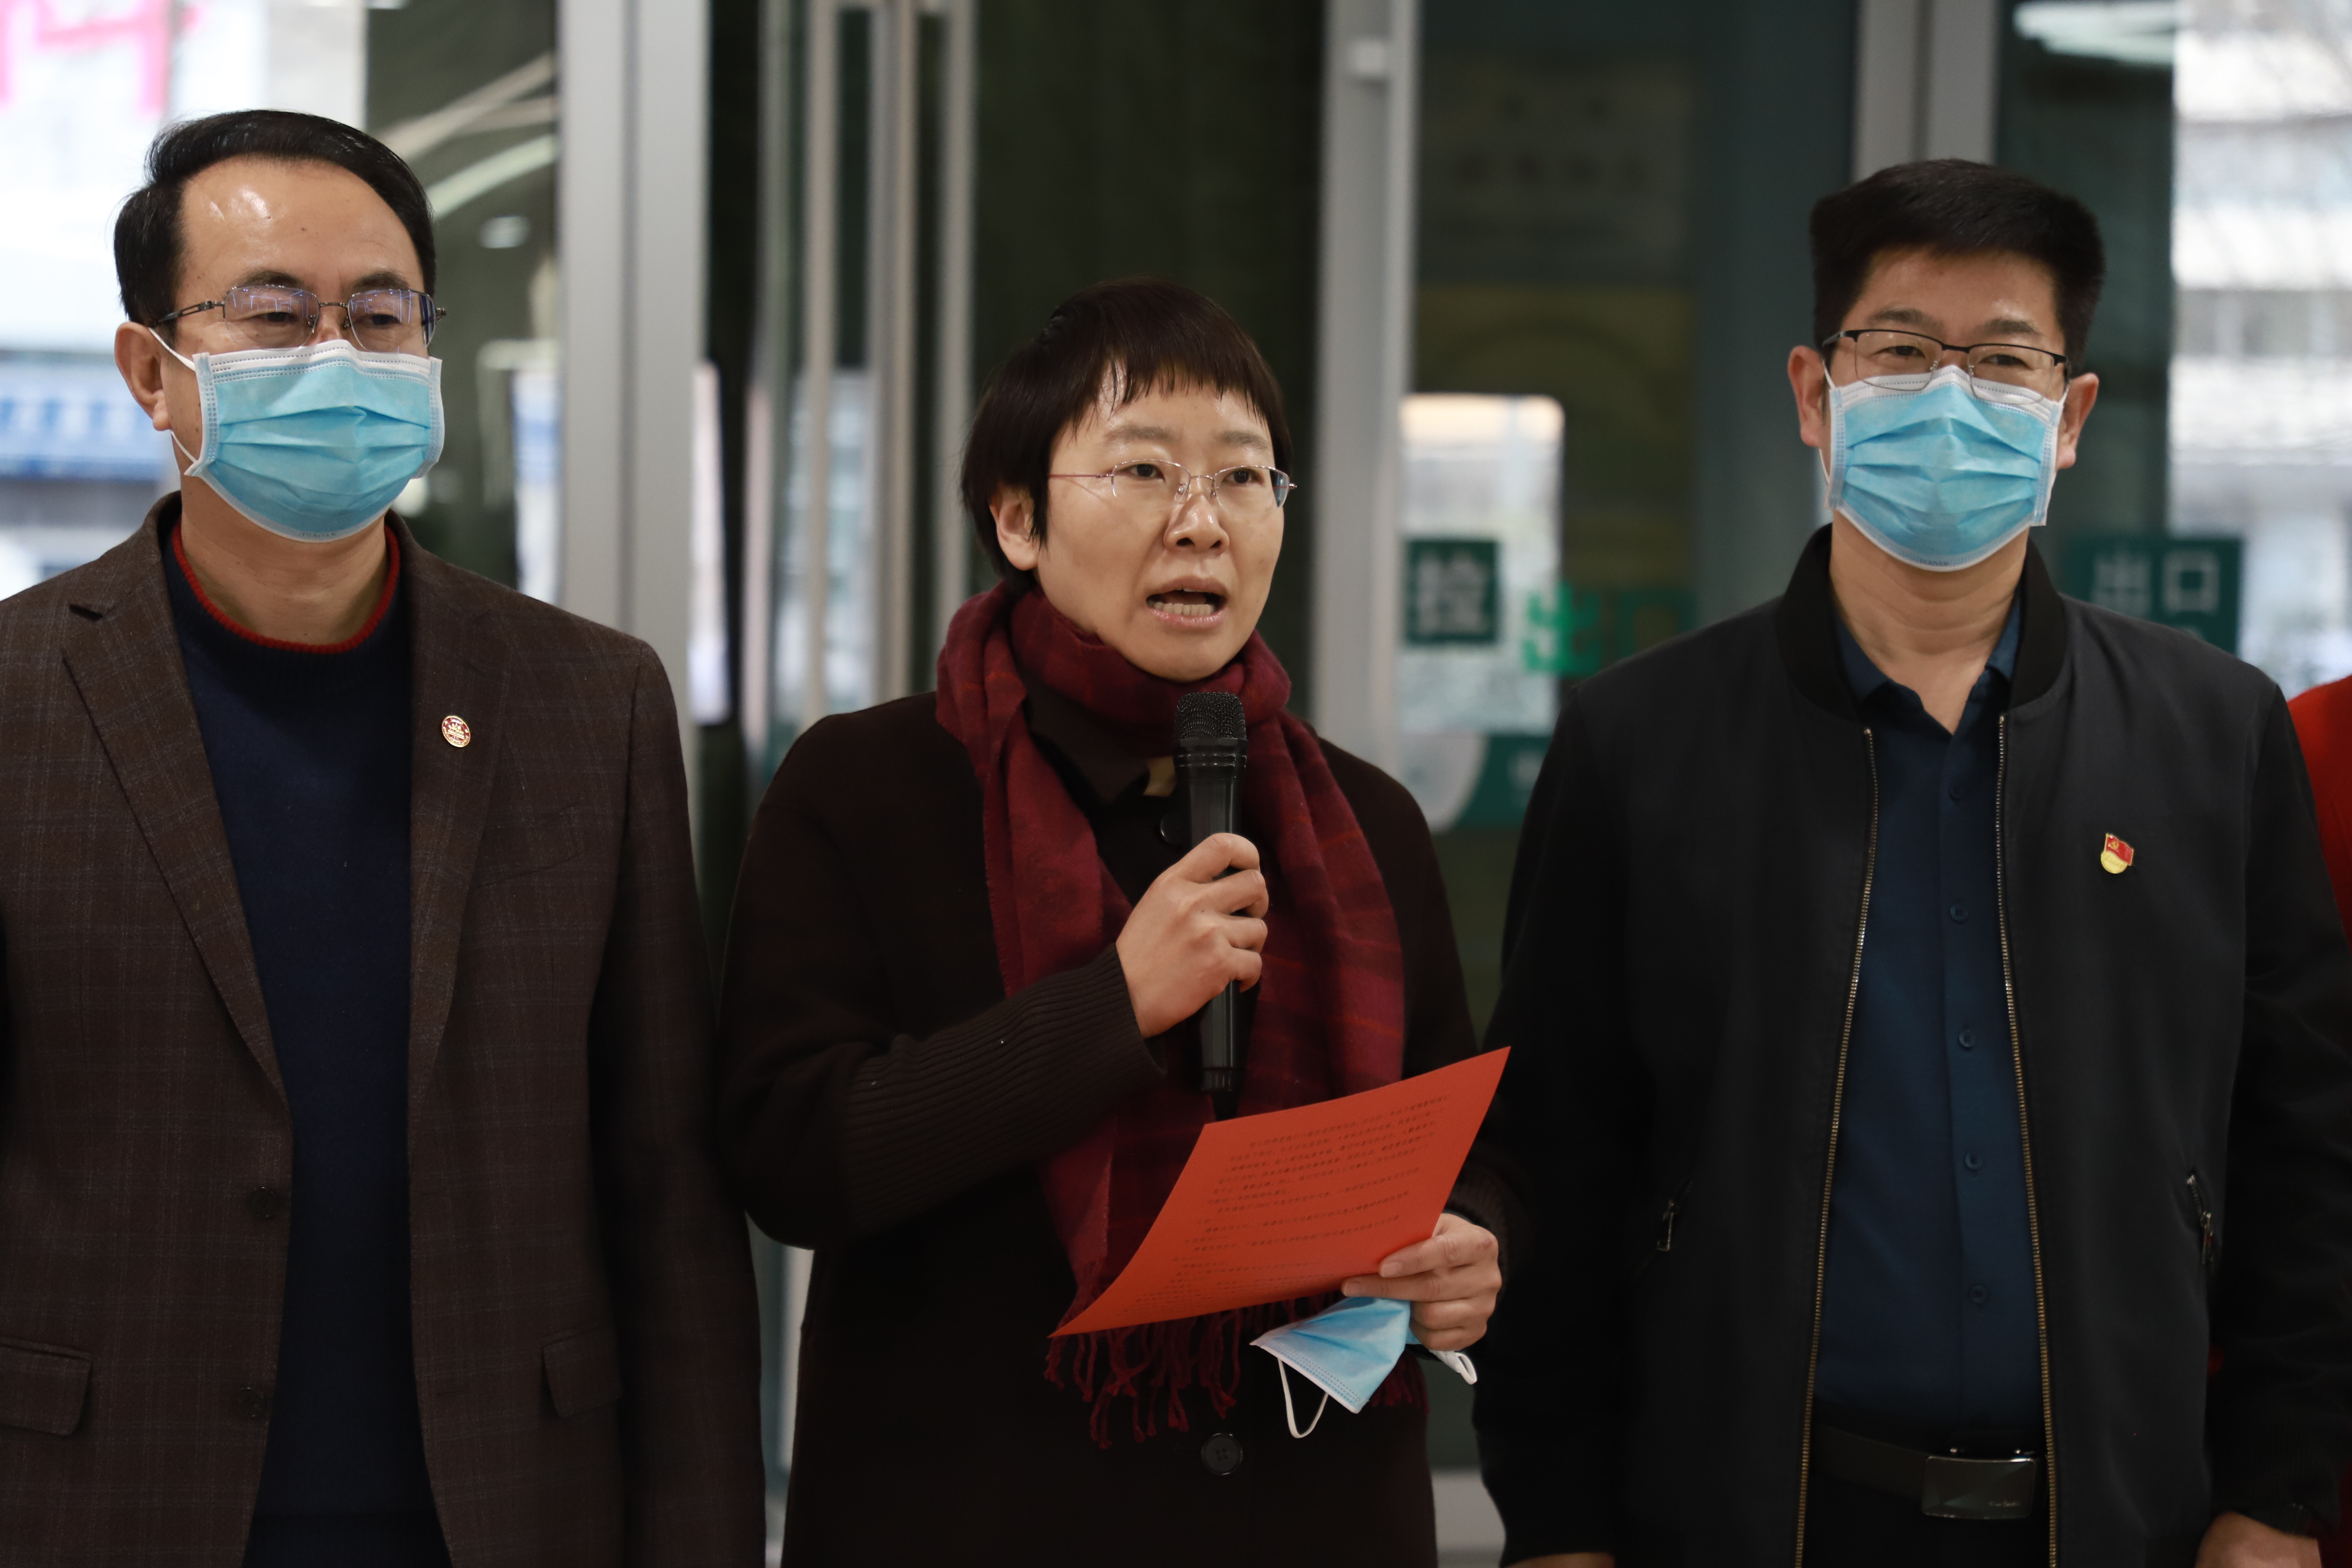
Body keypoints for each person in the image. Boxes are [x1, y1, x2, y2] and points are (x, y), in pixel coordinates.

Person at [1474, 158, 2352, 1568]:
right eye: (1899, 351)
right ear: (1816, 394)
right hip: (1753, 1516)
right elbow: (1556, 1160)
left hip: (2120, 1517)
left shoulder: (2212, 735)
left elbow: (2305, 1149)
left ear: (2071, 419)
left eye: (2002, 360)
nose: (1950, 398)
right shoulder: (1642, 743)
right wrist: (1559, 1527)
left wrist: (2277, 1495)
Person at [0, 111, 763, 1566]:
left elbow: (665, 1184)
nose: (338, 357)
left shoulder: (587, 701)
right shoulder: (18, 698)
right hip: (105, 1507)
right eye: (274, 314)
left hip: (507, 1509)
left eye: (381, 314)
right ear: (153, 373)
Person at [717, 277, 1519, 1566]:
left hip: (1312, 1517)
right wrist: (1110, 1009)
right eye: (1143, 471)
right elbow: (789, 1155)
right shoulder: (869, 787)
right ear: (1017, 518)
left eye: (1244, 478)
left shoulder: (1362, 819)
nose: (1200, 522)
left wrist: (1471, 1242)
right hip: (979, 1518)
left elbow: (1455, 1144)